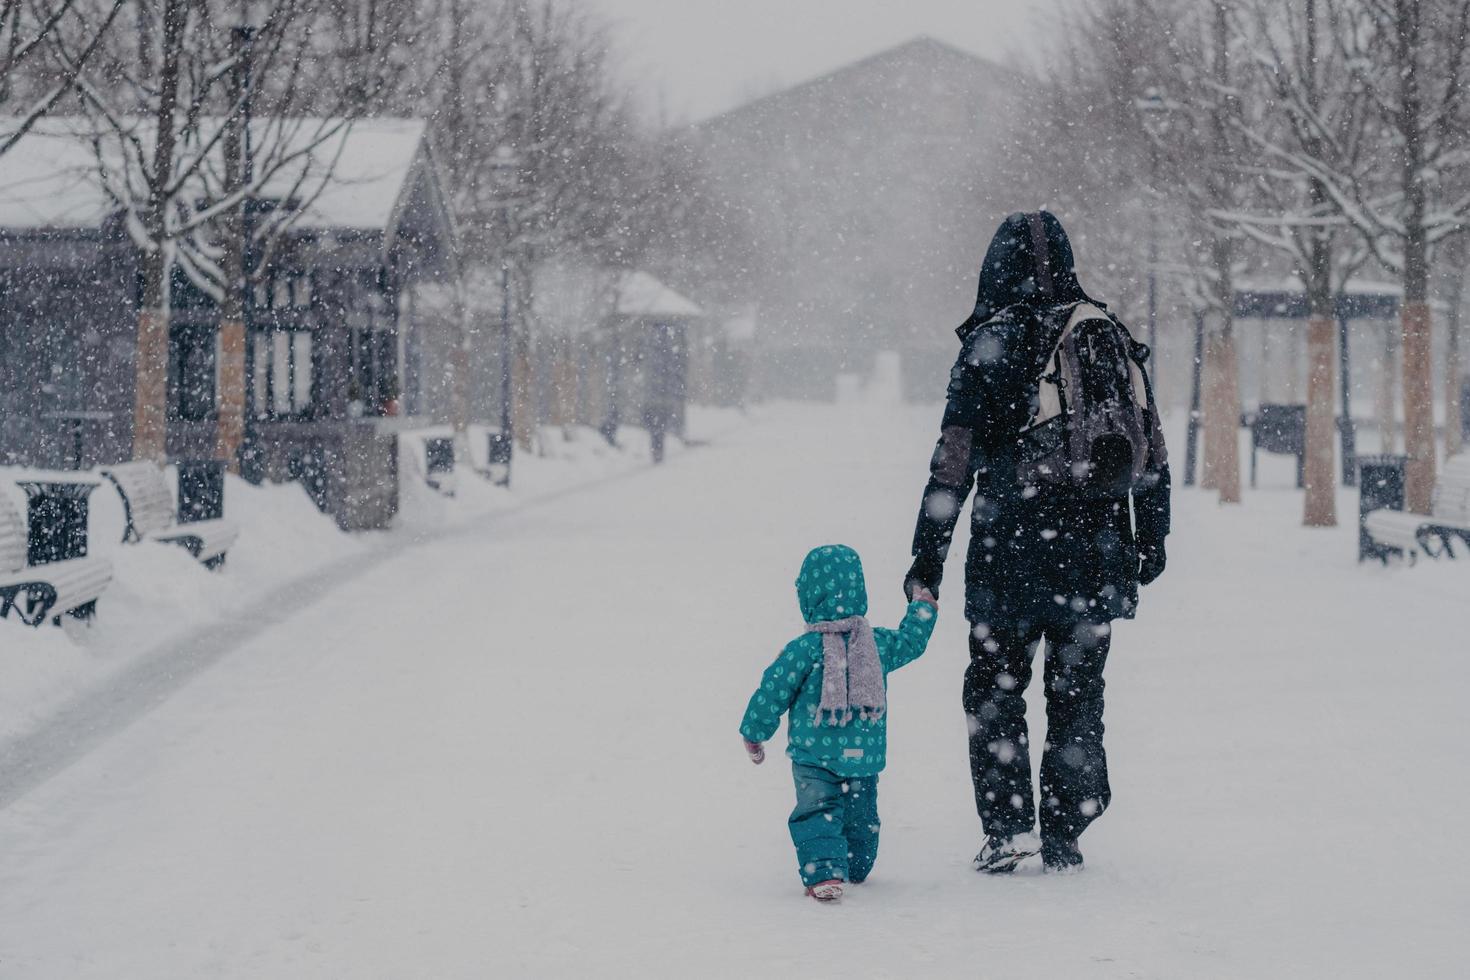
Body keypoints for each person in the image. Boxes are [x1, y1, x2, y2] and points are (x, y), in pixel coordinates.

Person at [904, 210, 1171, 875]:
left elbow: (953, 463)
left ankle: (1008, 825)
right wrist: (1151, 536)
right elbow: (1150, 446)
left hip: (1009, 554)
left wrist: (926, 557)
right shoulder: (1105, 334)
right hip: (1096, 552)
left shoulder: (991, 345)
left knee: (995, 687)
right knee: (1078, 692)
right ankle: (1066, 828)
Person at [740, 545, 938, 902]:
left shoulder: (805, 648)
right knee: (861, 817)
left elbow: (773, 689)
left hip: (813, 755)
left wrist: (754, 732)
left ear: (809, 597)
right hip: (863, 754)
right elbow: (911, 642)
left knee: (816, 811)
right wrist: (923, 608)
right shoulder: (875, 643)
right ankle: (850, 866)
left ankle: (826, 872)